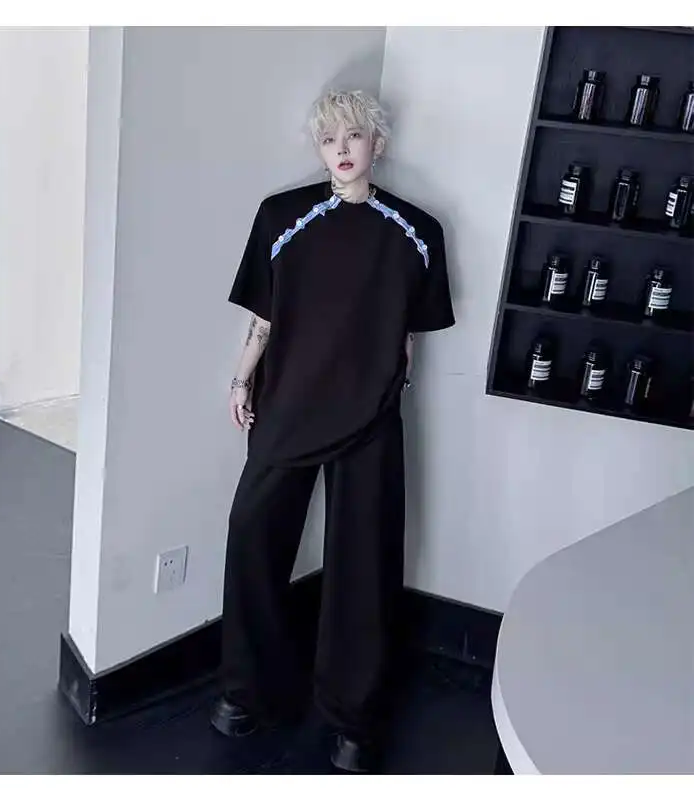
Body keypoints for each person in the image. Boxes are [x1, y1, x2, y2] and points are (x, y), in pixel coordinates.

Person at [210, 89, 455, 773]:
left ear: (379, 143)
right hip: (287, 406)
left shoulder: (418, 231)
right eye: (329, 140)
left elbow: (407, 336)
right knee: (253, 540)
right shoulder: (280, 217)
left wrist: (393, 386)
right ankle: (244, 690)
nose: (342, 150)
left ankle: (353, 721)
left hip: (370, 417)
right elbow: (263, 318)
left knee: (364, 567)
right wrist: (240, 382)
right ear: (318, 150)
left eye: (354, 136)